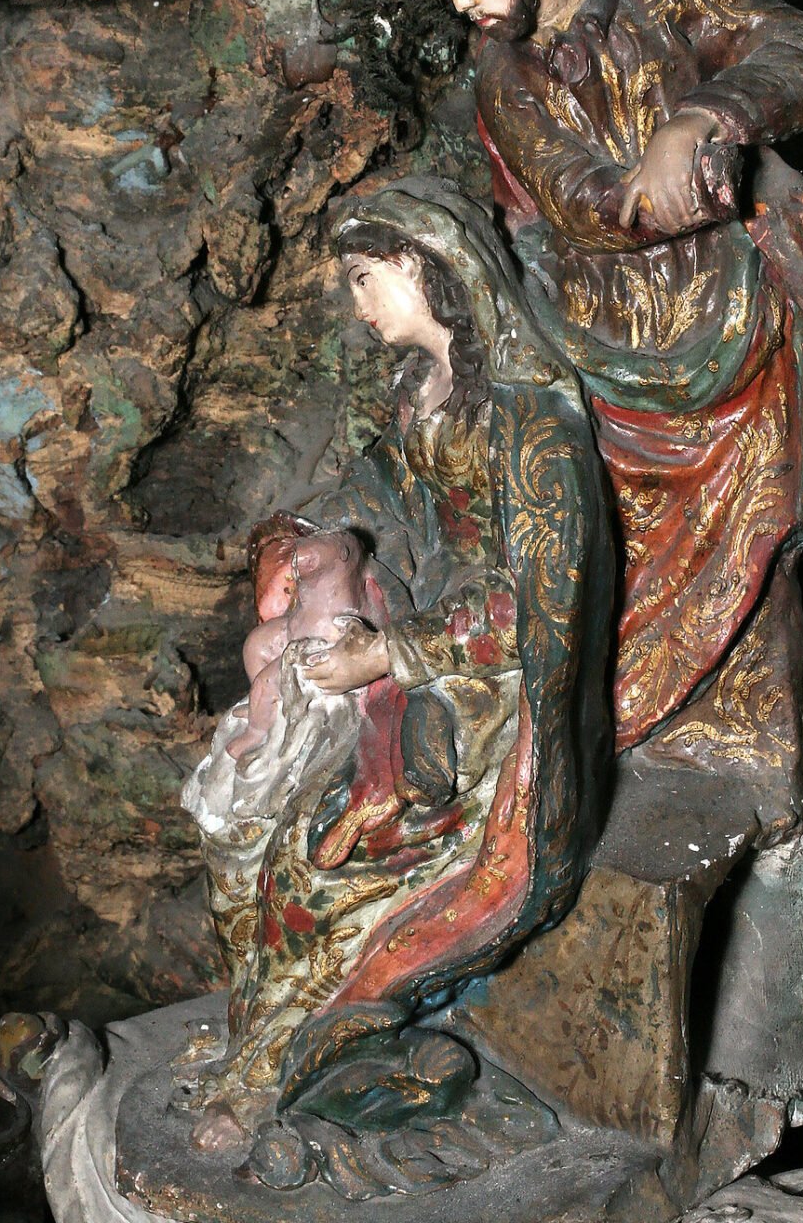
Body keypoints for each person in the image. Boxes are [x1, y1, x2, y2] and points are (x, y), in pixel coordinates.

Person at [406, 0, 803, 762]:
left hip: (734, 332)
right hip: (608, 357)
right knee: (621, 574)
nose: (461, 1)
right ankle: (638, 745)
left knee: (760, 555)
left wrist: (703, 120)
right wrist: (683, 188)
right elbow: (583, 203)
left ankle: (761, 761)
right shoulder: (502, 76)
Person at [181, 178, 614, 1153]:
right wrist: (305, 542)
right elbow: (372, 495)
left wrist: (392, 649)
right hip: (413, 679)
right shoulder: (417, 392)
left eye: (365, 277)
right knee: (276, 828)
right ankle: (262, 1041)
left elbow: (544, 601)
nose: (358, 302)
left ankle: (297, 1066)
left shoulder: (533, 426)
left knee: (345, 879)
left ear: (424, 266)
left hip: (502, 711)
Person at [226, 527, 387, 765]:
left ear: (342, 554)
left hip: (320, 646)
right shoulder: (315, 575)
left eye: (309, 561)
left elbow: (366, 623)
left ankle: (256, 732)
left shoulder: (351, 581)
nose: (300, 563)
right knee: (256, 645)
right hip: (294, 629)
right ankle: (261, 708)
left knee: (266, 682)